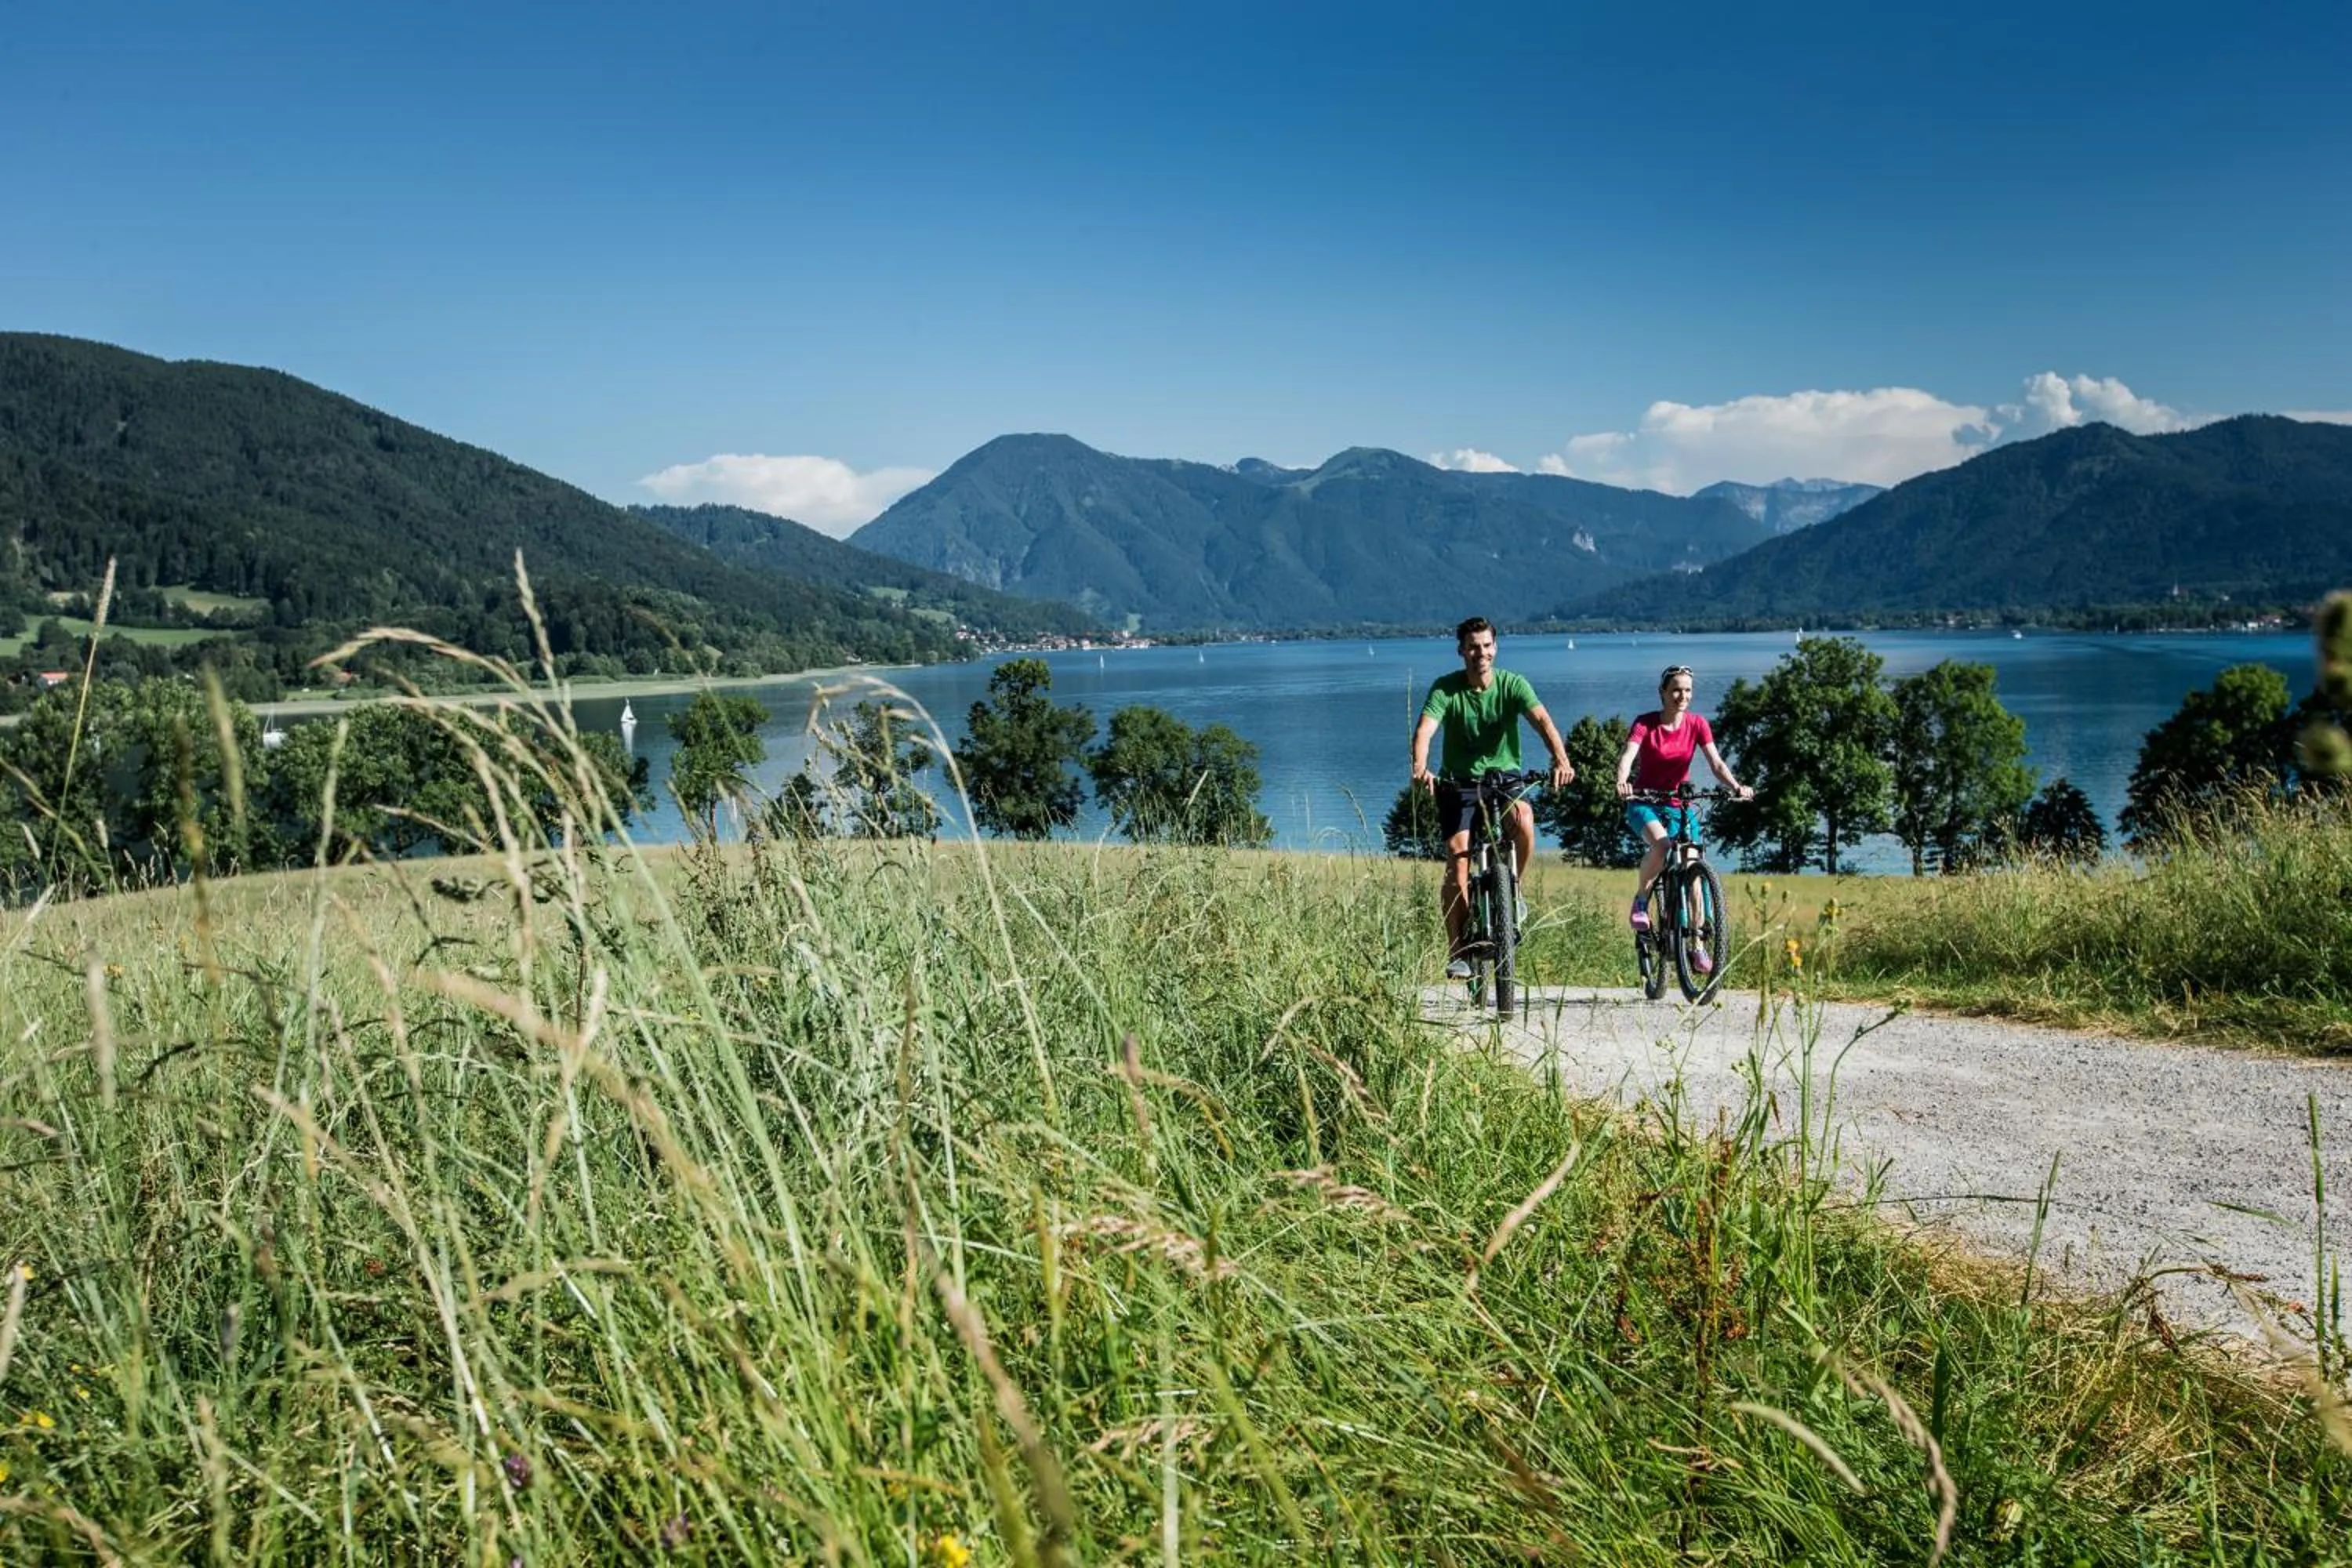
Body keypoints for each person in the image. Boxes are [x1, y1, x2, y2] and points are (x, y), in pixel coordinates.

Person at [1410, 617, 1575, 979]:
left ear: (1495, 648)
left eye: (1486, 646)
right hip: (1458, 784)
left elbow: (1543, 722)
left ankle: (1512, 892)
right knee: (1457, 864)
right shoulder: (1446, 689)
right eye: (1472, 646)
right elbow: (1425, 729)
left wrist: (1561, 760)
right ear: (1461, 651)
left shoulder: (1513, 685)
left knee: (1525, 821)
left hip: (1504, 780)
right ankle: (1458, 952)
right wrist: (1421, 766)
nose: (1480, 653)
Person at [1613, 664, 1751, 972]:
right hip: (1644, 802)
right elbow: (1628, 756)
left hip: (1679, 805)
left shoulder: (1698, 724)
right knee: (1662, 847)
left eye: (1688, 690)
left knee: (1693, 865)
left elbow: (1715, 763)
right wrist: (1623, 782)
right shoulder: (1645, 724)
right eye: (1676, 689)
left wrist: (1736, 787)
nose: (1682, 696)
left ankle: (1698, 945)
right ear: (1662, 692)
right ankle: (1641, 901)